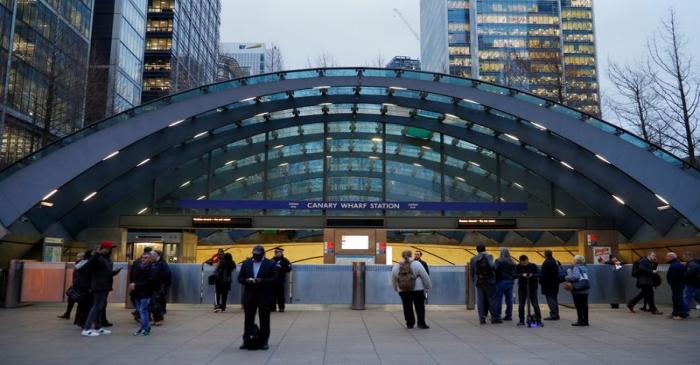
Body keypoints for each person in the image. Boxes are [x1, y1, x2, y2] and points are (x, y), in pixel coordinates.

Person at [238, 245, 278, 350]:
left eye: (258, 255)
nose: (255, 257)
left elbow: (274, 279)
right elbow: (240, 278)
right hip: (250, 296)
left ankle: (264, 341)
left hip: (264, 296)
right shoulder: (246, 263)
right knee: (248, 320)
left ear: (263, 254)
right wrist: (246, 281)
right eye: (254, 255)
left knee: (264, 320)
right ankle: (246, 340)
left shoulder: (270, 264)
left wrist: (262, 281)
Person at [81, 241, 121, 337]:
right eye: (108, 248)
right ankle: (87, 328)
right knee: (96, 306)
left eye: (110, 249)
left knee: (100, 307)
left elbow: (105, 273)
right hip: (98, 286)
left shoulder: (106, 259)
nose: (110, 250)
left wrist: (114, 273)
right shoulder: (98, 258)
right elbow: (88, 265)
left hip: (104, 285)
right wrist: (97, 253)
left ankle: (98, 327)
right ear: (103, 249)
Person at [392, 249, 432, 329]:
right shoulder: (417, 264)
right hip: (417, 289)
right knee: (419, 306)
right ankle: (421, 323)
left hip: (403, 290)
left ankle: (410, 323)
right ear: (411, 255)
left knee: (407, 306)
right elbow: (424, 276)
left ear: (402, 255)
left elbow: (394, 278)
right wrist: (428, 285)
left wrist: (395, 288)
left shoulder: (397, 266)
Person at [129, 252, 159, 336]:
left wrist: (136, 285)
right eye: (142, 258)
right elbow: (134, 278)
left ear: (150, 259)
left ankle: (145, 329)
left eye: (146, 258)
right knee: (140, 310)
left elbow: (149, 281)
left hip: (145, 292)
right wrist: (133, 285)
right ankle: (144, 327)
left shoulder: (153, 268)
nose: (143, 259)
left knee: (143, 310)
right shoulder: (138, 267)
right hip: (137, 292)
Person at [470, 244, 501, 324]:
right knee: (491, 299)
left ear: (477, 250)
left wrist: (475, 280)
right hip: (489, 281)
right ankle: (495, 318)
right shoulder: (488, 256)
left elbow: (472, 271)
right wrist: (497, 263)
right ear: (485, 249)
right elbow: (492, 266)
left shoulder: (473, 259)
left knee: (480, 301)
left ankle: (482, 319)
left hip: (479, 282)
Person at [515, 255, 543, 327]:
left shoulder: (533, 266)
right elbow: (514, 274)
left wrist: (532, 275)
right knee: (521, 305)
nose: (524, 263)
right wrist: (522, 275)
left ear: (527, 260)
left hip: (532, 288)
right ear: (520, 261)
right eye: (522, 262)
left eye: (525, 261)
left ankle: (539, 320)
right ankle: (521, 320)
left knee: (535, 304)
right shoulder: (518, 266)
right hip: (522, 288)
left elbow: (539, 274)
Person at [58, 252, 85, 320]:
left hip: (79, 286)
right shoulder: (77, 264)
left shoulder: (82, 265)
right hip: (75, 285)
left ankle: (78, 316)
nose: (78, 258)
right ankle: (67, 313)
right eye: (78, 257)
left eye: (80, 257)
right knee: (71, 300)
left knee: (80, 301)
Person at [565, 255, 590, 326]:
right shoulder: (585, 267)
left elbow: (576, 277)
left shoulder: (576, 267)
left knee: (578, 305)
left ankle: (580, 320)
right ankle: (585, 321)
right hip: (585, 288)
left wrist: (567, 277)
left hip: (578, 289)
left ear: (576, 261)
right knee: (585, 305)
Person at [73, 250, 93, 328]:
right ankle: (82, 321)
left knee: (82, 305)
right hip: (86, 288)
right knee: (87, 306)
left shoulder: (81, 264)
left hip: (81, 287)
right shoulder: (87, 264)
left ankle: (79, 320)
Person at [494, 248, 516, 321]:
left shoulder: (499, 260)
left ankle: (497, 316)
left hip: (501, 281)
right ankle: (509, 315)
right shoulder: (512, 261)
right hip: (510, 282)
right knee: (509, 299)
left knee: (498, 299)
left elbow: (494, 269)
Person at [540, 250, 561, 321]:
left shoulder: (546, 263)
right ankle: (556, 314)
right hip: (555, 283)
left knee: (550, 299)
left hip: (548, 284)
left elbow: (544, 275)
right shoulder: (555, 261)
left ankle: (553, 315)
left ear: (545, 254)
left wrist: (540, 281)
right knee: (554, 299)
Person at [666, 252, 688, 319]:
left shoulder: (674, 265)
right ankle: (675, 313)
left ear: (671, 257)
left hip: (677, 285)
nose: (666, 258)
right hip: (679, 285)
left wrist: (671, 282)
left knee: (678, 299)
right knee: (676, 299)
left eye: (667, 256)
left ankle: (682, 314)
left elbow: (673, 277)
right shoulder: (678, 264)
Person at [271, 247, 292, 312]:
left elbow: (289, 269)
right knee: (272, 295)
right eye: (275, 252)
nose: (276, 253)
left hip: (280, 280)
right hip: (272, 280)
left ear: (281, 253)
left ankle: (281, 308)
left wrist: (281, 268)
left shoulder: (285, 260)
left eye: (277, 252)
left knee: (280, 295)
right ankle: (272, 308)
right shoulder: (272, 260)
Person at [683, 252, 700, 317]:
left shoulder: (691, 264)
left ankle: (685, 313)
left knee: (687, 299)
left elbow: (688, 274)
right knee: (698, 298)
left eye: (684, 258)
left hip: (691, 285)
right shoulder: (697, 263)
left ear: (688, 257)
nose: (684, 259)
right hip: (698, 285)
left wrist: (684, 275)